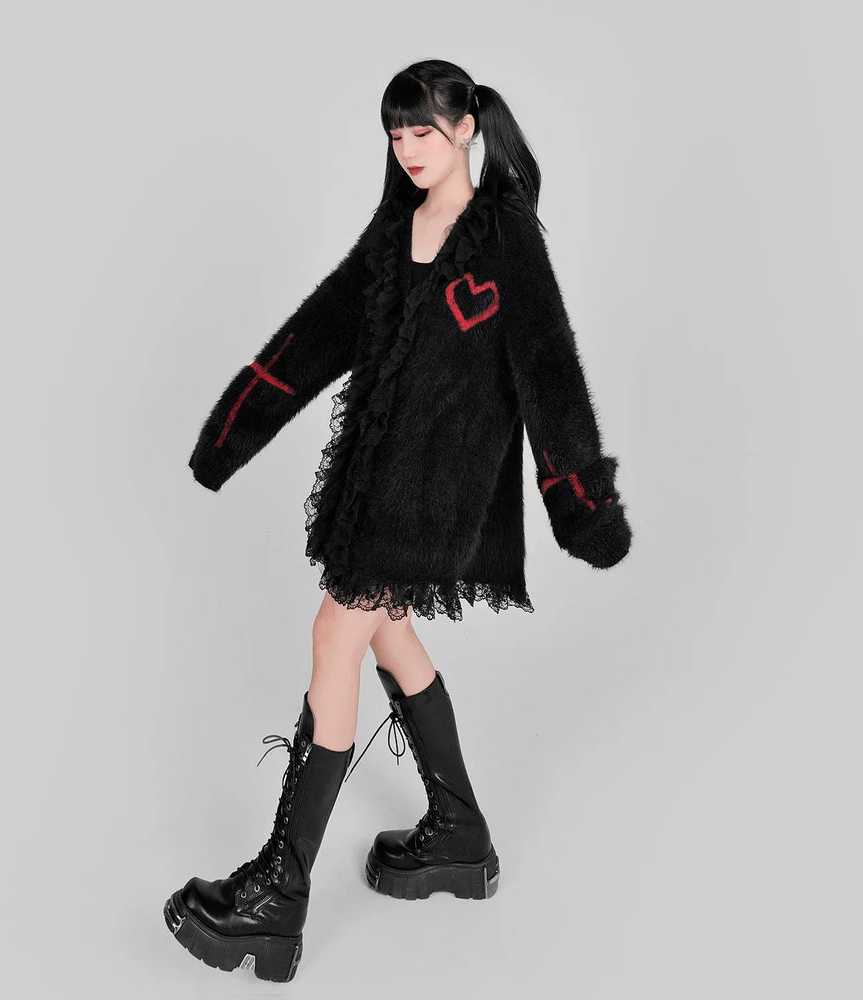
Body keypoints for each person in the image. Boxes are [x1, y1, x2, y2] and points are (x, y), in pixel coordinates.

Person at [163, 59, 633, 982]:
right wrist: (230, 434)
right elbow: (319, 331)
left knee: (335, 632)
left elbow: (549, 370)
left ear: (467, 127)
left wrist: (584, 507)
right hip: (376, 477)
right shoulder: (398, 226)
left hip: (440, 491)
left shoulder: (503, 235)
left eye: (424, 129)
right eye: (395, 132)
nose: (409, 148)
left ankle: (278, 894)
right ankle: (459, 831)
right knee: (386, 633)